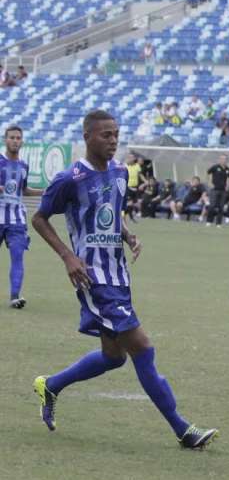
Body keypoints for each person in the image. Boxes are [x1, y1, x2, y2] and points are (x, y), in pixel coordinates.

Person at [30, 110, 217, 446]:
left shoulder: (119, 171)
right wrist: (68, 256)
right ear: (87, 136)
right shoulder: (70, 178)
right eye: (105, 135)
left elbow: (110, 213)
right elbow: (40, 219)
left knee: (114, 357)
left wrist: (127, 234)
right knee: (142, 349)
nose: (113, 140)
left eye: (116, 134)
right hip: (93, 277)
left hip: (118, 275)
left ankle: (51, 385)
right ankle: (183, 430)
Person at [1, 126, 44, 308]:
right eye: (12, 137)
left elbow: (24, 190)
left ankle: (14, 297)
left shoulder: (24, 165)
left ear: (22, 141)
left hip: (16, 219)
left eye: (18, 138)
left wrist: (44, 192)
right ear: (5, 140)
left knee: (17, 257)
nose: (15, 141)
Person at [205, 154, 229, 228]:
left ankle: (218, 223)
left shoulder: (228, 170)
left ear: (227, 160)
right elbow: (208, 173)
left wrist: (228, 186)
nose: (223, 160)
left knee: (221, 207)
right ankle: (209, 221)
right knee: (212, 206)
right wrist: (209, 183)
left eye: (225, 159)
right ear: (219, 159)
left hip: (223, 191)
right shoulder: (215, 167)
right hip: (214, 190)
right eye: (222, 159)